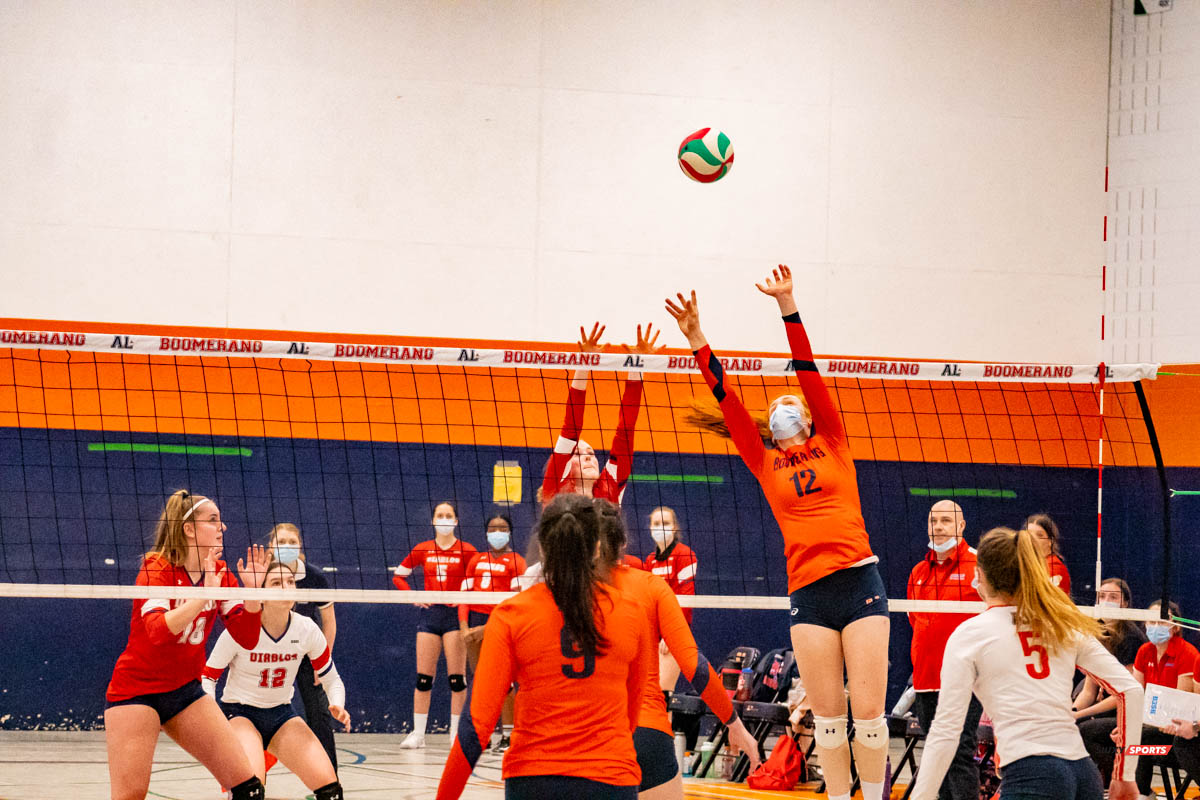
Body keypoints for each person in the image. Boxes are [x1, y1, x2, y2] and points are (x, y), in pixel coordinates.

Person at [666, 266, 890, 800]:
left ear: (808, 419)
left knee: (870, 715)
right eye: (776, 406)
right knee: (830, 721)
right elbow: (728, 403)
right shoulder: (765, 461)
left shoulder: (833, 440)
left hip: (859, 580)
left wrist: (788, 306)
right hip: (809, 593)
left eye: (792, 404)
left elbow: (808, 370)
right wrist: (698, 339)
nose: (784, 406)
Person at [437, 494, 653, 800]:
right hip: (610, 779)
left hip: (533, 781)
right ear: (596, 548)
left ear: (542, 548)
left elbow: (477, 725)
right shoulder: (632, 611)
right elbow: (632, 711)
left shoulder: (512, 615)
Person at [910, 527, 1143, 800]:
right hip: (1083, 774)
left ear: (979, 575)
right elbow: (1131, 691)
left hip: (1033, 775)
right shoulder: (1063, 625)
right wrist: (1125, 775)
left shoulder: (970, 634)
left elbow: (946, 732)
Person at [104, 489, 270, 800]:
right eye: (213, 520)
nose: (222, 527)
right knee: (129, 796)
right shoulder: (157, 567)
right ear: (189, 528)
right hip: (136, 691)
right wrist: (203, 596)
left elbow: (247, 638)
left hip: (184, 692)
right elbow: (156, 632)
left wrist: (253, 595)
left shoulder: (220, 573)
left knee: (248, 790)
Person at [595, 498, 759, 798]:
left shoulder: (557, 593)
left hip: (581, 738)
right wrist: (733, 722)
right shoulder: (649, 585)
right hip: (644, 731)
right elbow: (694, 665)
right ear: (623, 541)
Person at [201, 561, 349, 799]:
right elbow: (208, 677)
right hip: (240, 714)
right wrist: (212, 717)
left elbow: (332, 679)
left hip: (281, 715)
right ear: (262, 595)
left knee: (331, 791)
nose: (285, 587)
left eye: (290, 582)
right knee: (251, 791)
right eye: (276, 583)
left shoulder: (306, 629)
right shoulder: (240, 629)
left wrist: (337, 703)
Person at [906, 500, 983, 800]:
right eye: (933, 521)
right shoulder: (918, 571)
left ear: (961, 526)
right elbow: (916, 622)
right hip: (926, 679)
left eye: (946, 521)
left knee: (960, 752)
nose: (938, 527)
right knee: (937, 754)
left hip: (966, 680)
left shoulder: (980, 565)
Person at [392, 500, 477, 748]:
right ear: (433, 520)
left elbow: (478, 578)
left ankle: (455, 734)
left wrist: (462, 596)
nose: (443, 518)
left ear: (456, 521)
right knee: (423, 679)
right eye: (439, 515)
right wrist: (415, 596)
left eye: (448, 515)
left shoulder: (468, 550)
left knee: (457, 680)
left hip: (453, 617)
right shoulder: (423, 549)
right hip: (430, 618)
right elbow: (399, 576)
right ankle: (418, 734)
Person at [266, 523, 340, 773]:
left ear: (300, 546)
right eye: (281, 541)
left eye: (291, 542)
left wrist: (324, 663)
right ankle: (251, 775)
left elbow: (329, 622)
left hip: (307, 653)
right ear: (270, 547)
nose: (286, 546)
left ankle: (330, 778)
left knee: (319, 712)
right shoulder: (263, 574)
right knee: (259, 711)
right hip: (272, 652)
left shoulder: (314, 577)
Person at [459, 512, 525, 750]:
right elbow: (463, 596)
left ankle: (509, 734)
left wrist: (487, 628)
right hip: (474, 622)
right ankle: (481, 734)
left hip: (501, 622)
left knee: (504, 682)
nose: (498, 533)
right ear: (486, 532)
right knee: (480, 683)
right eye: (493, 529)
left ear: (509, 532)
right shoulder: (476, 560)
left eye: (503, 528)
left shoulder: (517, 561)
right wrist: (465, 628)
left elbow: (517, 602)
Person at [1074, 578, 1148, 787]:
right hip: (1107, 702)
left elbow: (1126, 693)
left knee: (1085, 730)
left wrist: (1079, 714)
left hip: (1126, 706)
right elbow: (1089, 690)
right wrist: (1072, 711)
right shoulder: (1096, 634)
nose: (1106, 601)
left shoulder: (1132, 638)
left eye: (1113, 597)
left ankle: (1129, 780)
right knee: (1070, 723)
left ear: (1125, 603)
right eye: (1102, 596)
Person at [642, 506, 698, 697]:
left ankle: (665, 727)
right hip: (653, 635)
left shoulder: (685, 555)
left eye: (666, 523)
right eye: (656, 524)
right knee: (649, 694)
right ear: (650, 528)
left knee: (662, 693)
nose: (661, 528)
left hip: (674, 632)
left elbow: (685, 598)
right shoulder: (650, 561)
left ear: (675, 528)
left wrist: (669, 634)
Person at [1024, 513, 1071, 596]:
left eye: (1039, 535)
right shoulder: (1027, 564)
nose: (1032, 538)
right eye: (1028, 534)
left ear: (1051, 541)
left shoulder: (1055, 568)